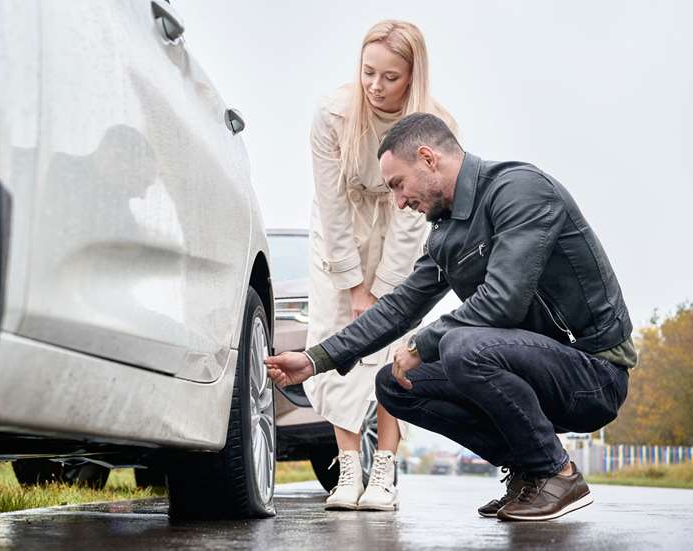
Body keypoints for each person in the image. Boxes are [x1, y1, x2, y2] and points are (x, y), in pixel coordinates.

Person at [266, 113, 636, 522]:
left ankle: (557, 473)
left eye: (398, 185)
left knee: (462, 346)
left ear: (428, 158)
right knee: (394, 384)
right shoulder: (445, 233)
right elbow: (399, 306)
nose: (400, 201)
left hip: (593, 374)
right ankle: (529, 470)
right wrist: (317, 359)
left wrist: (423, 343)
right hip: (527, 366)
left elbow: (503, 300)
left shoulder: (521, 191)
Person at [303, 19, 456, 512]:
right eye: (368, 72)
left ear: (412, 77)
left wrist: (384, 292)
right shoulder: (331, 114)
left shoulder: (434, 124)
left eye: (390, 77)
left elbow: (416, 217)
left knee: (389, 344)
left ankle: (385, 469)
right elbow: (330, 203)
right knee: (336, 343)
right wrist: (352, 285)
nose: (375, 85)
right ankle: (348, 469)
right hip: (340, 230)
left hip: (401, 225)